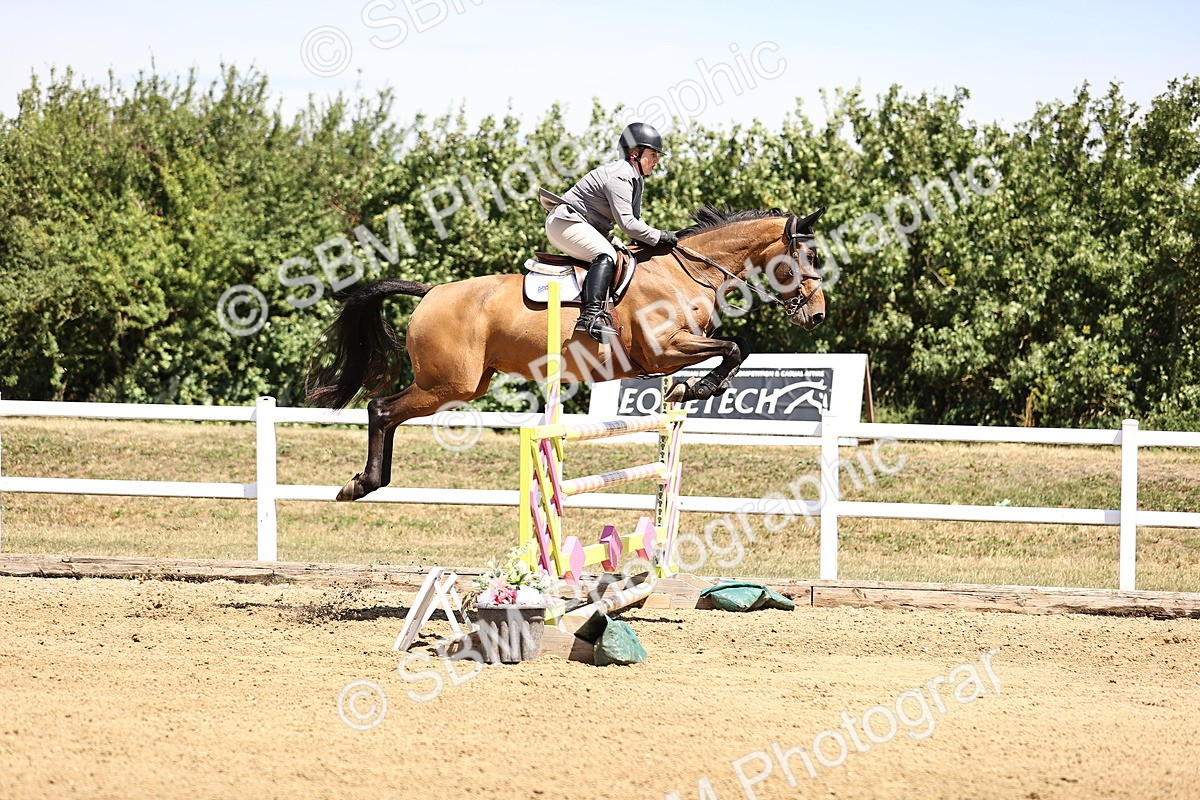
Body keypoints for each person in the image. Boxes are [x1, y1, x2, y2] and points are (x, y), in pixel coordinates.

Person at [539, 122, 679, 342]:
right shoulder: (620, 175)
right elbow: (627, 224)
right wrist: (660, 235)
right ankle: (590, 317)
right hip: (564, 222)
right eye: (652, 154)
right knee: (607, 255)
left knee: (624, 254)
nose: (656, 161)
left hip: (586, 225)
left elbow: (636, 224)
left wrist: (657, 240)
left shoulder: (636, 179)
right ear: (635, 153)